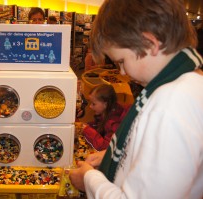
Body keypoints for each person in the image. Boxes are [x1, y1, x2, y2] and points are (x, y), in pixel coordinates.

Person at [69, 0, 203, 198]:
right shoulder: (188, 85)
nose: (123, 72)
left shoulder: (170, 104)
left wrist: (89, 179)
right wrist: (118, 154)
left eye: (122, 61)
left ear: (150, 43)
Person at [82, 84, 129, 151]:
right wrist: (89, 125)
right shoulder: (107, 112)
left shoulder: (114, 122)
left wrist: (87, 130)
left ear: (105, 104)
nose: (90, 106)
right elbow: (100, 124)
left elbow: (105, 147)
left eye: (93, 104)